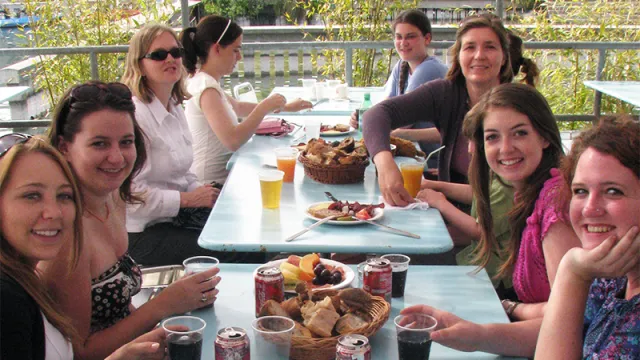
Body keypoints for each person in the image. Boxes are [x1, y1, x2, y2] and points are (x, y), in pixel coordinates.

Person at [397, 84, 587, 358]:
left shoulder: (554, 207)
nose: (505, 148)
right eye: (492, 137)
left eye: (520, 133)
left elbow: (570, 317)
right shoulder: (529, 190)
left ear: (545, 137)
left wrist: (500, 316)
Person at [40, 82, 221, 360]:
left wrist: (160, 326)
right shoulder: (65, 237)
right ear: (64, 147)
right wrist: (163, 305)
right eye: (99, 143)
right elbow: (79, 352)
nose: (116, 157)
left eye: (126, 142)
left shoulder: (113, 197)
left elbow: (119, 308)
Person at [0, 135, 170, 360]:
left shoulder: (23, 280)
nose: (54, 212)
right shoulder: (7, 300)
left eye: (64, 196)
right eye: (32, 195)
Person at [121, 23, 250, 266]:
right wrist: (188, 199)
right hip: (144, 235)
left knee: (246, 224)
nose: (170, 59)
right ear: (139, 64)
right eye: (159, 55)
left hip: (177, 218)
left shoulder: (173, 105)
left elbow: (183, 173)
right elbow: (131, 198)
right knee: (240, 250)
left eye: (175, 52)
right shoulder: (135, 117)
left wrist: (206, 192)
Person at [536, 117, 640, 359]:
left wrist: (571, 270)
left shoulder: (587, 270)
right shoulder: (611, 277)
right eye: (580, 191)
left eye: (613, 191)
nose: (589, 209)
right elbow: (560, 333)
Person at [180, 15, 312, 184]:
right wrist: (264, 107)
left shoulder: (206, 81)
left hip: (225, 177)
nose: (240, 57)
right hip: (213, 187)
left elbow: (238, 107)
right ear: (217, 49)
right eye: (235, 50)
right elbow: (233, 140)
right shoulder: (206, 89)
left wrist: (285, 107)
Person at [349, 9, 447, 169]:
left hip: (433, 162)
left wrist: (372, 123)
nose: (403, 43)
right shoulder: (402, 66)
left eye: (411, 37)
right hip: (413, 155)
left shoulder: (429, 69)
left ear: (427, 38)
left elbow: (400, 122)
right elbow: (384, 108)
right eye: (399, 37)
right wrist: (360, 118)